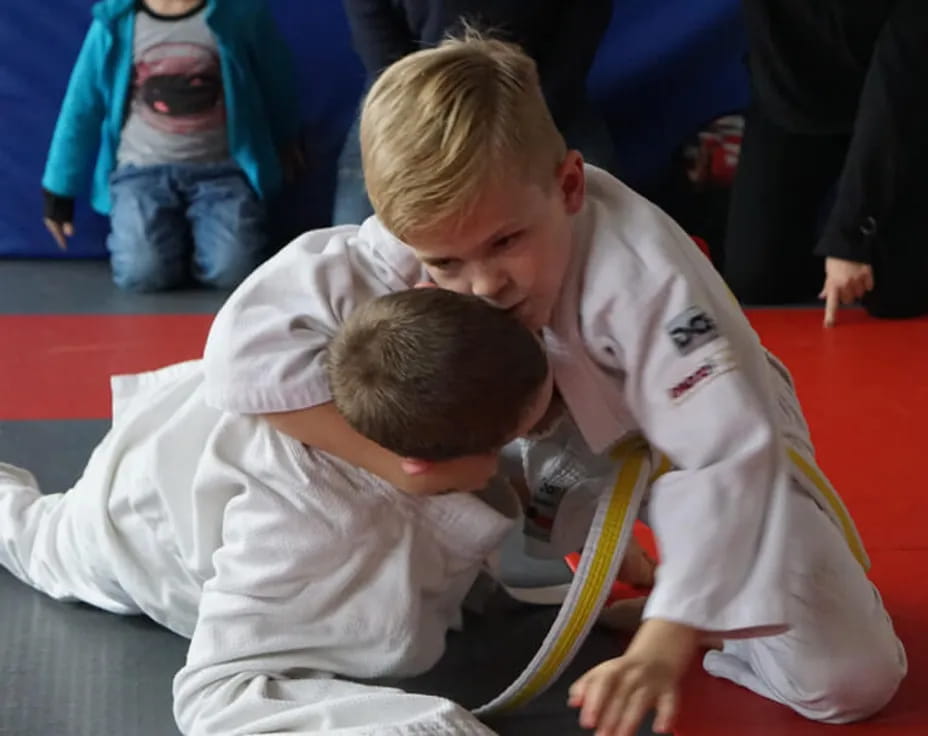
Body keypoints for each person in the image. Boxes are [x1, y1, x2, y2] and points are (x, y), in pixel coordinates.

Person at [200, 34, 907, 736]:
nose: (483, 286)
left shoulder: (649, 281)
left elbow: (722, 452)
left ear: (569, 185)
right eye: (445, 261)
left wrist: (671, 635)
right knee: (382, 393)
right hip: (552, 437)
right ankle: (592, 570)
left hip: (702, 432)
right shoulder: (418, 232)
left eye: (507, 243)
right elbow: (244, 355)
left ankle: (714, 615)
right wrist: (404, 472)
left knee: (848, 682)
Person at [0, 287, 574, 735]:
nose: (523, 446)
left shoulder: (391, 344)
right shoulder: (304, 531)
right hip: (127, 519)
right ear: (424, 465)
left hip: (200, 423)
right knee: (28, 532)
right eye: (511, 440)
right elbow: (212, 695)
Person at [41, 0, 303, 291]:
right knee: (143, 273)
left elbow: (276, 80)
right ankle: (171, 247)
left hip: (222, 173)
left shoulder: (238, 14)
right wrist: (59, 190)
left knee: (235, 271)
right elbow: (81, 106)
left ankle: (202, 244)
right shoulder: (116, 21)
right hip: (140, 174)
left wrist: (286, 138)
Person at [722, 0, 928, 325]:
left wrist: (851, 235)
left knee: (896, 295)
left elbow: (900, 86)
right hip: (797, 102)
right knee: (756, 279)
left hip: (907, 105)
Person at [333, 0, 615, 225]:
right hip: (413, 95)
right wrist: (420, 113)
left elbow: (585, 14)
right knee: (355, 230)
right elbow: (371, 20)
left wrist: (539, 108)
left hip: (537, 91)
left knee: (607, 217)